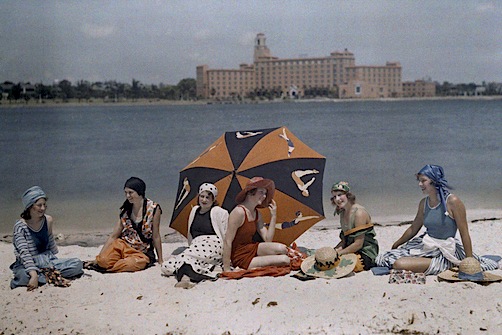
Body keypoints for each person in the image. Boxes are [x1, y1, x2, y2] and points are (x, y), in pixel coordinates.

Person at [376, 164, 499, 275]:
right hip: (426, 245)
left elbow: (464, 233)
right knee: (384, 258)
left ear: (434, 182)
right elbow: (413, 228)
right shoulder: (424, 203)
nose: (420, 184)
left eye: (423, 181)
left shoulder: (452, 202)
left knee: (399, 264)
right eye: (419, 181)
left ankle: (441, 264)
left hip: (445, 250)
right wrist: (397, 243)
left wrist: (470, 261)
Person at [10, 186, 83, 290]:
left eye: (44, 205)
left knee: (77, 264)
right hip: (27, 263)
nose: (43, 208)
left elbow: (50, 242)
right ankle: (50, 276)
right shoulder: (20, 227)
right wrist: (34, 274)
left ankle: (46, 275)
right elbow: (24, 253)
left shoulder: (48, 220)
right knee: (24, 277)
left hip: (47, 260)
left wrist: (54, 262)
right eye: (39, 205)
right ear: (30, 206)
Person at [86, 177, 163, 272]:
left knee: (132, 264)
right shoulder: (126, 209)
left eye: (130, 192)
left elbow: (156, 236)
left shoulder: (154, 209)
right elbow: (114, 236)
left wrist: (160, 260)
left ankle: (108, 268)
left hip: (141, 251)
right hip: (123, 245)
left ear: (139, 191)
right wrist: (100, 257)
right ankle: (104, 265)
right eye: (126, 193)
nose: (127, 196)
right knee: (103, 260)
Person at [162, 183, 228, 288]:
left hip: (213, 244)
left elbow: (226, 236)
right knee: (167, 266)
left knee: (185, 258)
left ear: (213, 199)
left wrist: (227, 259)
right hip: (196, 245)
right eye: (202, 196)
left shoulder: (220, 212)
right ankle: (187, 279)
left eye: (208, 197)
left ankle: (185, 279)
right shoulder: (194, 210)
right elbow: (191, 234)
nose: (204, 200)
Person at [222, 177, 290, 272]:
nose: (265, 196)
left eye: (265, 193)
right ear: (250, 192)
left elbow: (267, 239)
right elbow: (227, 241)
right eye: (261, 192)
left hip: (251, 248)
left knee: (283, 249)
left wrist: (273, 216)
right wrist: (227, 269)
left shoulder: (256, 213)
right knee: (285, 259)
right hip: (240, 257)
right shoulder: (239, 212)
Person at [331, 181, 379, 272]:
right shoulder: (342, 212)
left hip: (365, 253)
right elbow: (345, 240)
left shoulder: (359, 213)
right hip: (350, 249)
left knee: (337, 265)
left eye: (340, 195)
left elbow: (358, 244)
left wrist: (338, 254)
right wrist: (334, 251)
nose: (337, 199)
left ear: (348, 195)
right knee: (326, 261)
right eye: (334, 197)